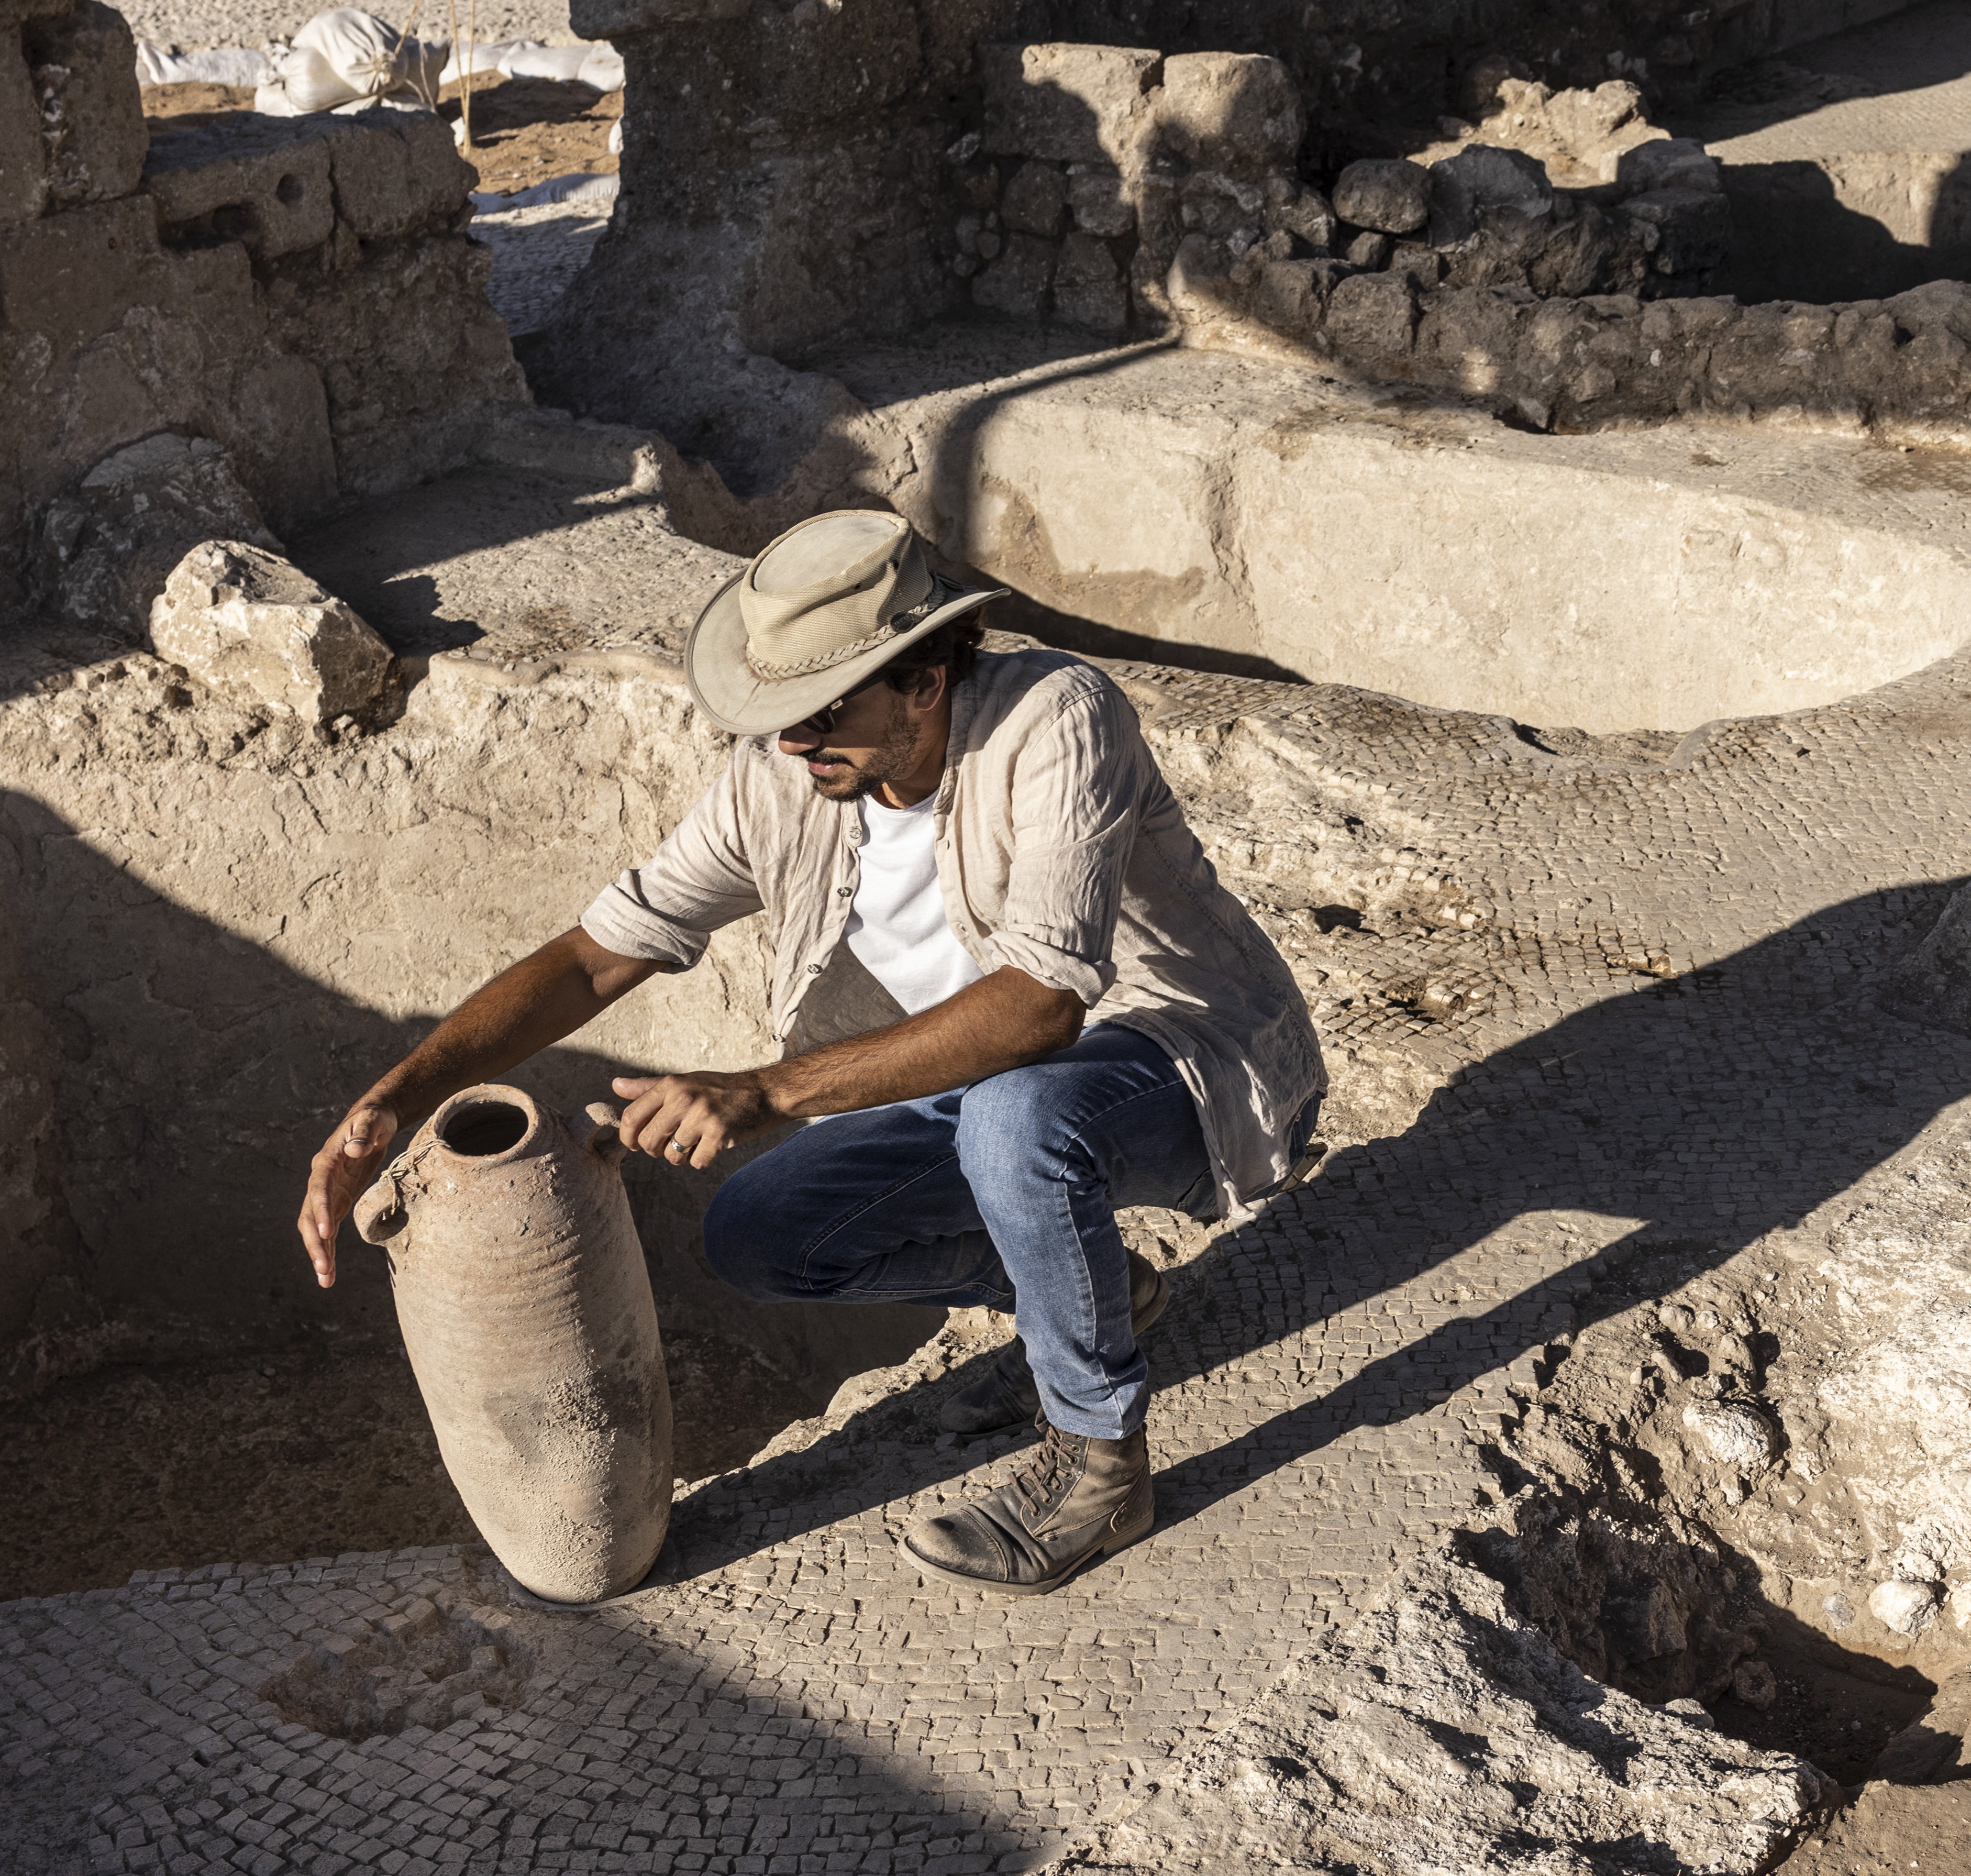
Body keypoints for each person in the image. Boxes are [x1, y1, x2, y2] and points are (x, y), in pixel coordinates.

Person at [296, 511, 1326, 1597]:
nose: (792, 740)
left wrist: (765, 1089)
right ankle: (1094, 1288)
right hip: (985, 1094)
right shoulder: (784, 777)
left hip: (1186, 1055)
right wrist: (395, 1096)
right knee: (762, 1232)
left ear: (926, 677)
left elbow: (1038, 1008)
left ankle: (1098, 1459)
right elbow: (596, 956)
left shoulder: (1055, 719)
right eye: (776, 712)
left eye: (819, 710)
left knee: (1014, 1116)